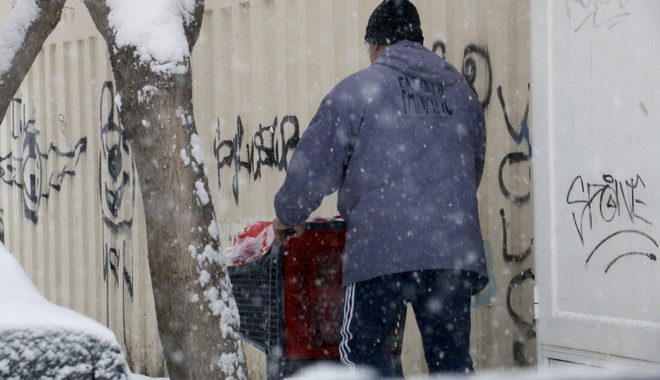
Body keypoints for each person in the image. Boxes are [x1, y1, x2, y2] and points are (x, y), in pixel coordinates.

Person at [272, 0, 488, 376]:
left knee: (365, 352)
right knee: (450, 359)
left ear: (376, 44)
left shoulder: (360, 89)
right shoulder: (462, 93)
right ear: (417, 41)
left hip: (381, 247)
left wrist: (288, 215)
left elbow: (314, 166)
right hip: (451, 250)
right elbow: (473, 168)